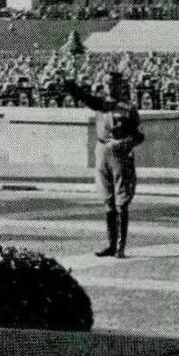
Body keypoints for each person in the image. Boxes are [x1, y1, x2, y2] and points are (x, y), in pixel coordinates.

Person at [64, 70, 144, 257]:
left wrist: (124, 143)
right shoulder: (101, 104)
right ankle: (110, 244)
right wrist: (72, 87)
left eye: (113, 84)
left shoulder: (128, 109)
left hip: (119, 155)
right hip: (102, 152)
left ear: (119, 86)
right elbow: (86, 98)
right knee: (107, 199)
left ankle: (120, 246)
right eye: (106, 83)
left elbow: (139, 135)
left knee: (121, 201)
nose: (109, 87)